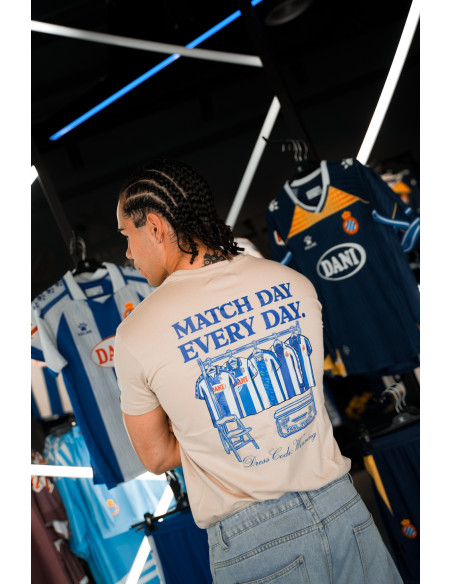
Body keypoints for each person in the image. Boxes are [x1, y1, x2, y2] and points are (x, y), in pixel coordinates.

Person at [113, 158, 403, 584]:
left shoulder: (136, 333)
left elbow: (156, 456)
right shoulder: (291, 282)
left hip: (255, 540)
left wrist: (207, 433)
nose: (127, 253)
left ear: (154, 226)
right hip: (344, 507)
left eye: (127, 235)